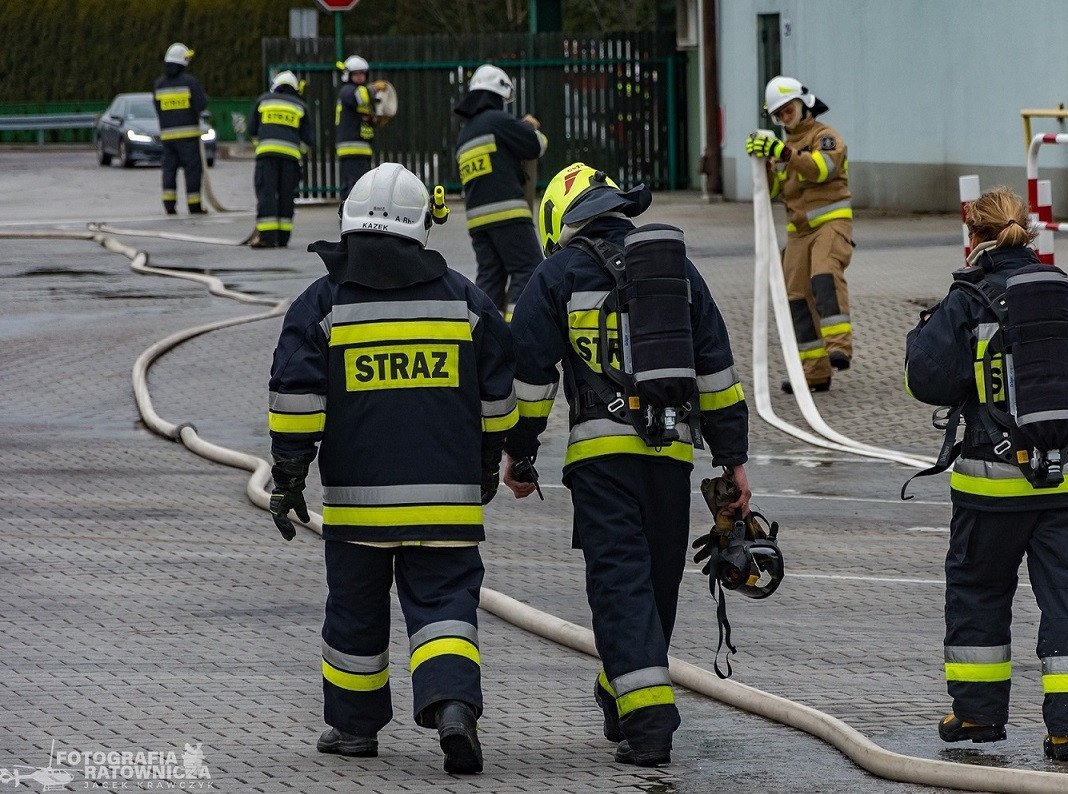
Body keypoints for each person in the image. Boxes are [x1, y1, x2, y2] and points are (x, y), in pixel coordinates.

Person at [267, 163, 515, 775]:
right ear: (417, 228)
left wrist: (290, 478)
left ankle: (353, 731)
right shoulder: (465, 300)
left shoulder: (324, 303)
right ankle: (453, 705)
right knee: (446, 606)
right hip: (447, 501)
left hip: (357, 505)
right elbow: (498, 398)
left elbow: (296, 401)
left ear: (351, 222)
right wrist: (489, 462)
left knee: (355, 608)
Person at [503, 162, 752, 767]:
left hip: (599, 461)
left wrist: (521, 453)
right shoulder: (675, 270)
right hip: (670, 456)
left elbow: (531, 378)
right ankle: (624, 691)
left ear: (561, 216)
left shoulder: (556, 275)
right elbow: (716, 372)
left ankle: (648, 722)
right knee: (657, 585)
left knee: (620, 586)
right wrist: (732, 460)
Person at [904, 186, 1068, 763]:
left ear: (974, 239)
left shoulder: (966, 300)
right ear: (1029, 236)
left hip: (988, 492)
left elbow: (926, 380)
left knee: (979, 596)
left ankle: (976, 718)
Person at [747, 76, 854, 393]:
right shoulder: (781, 150)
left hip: (831, 225)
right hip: (797, 233)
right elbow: (773, 192)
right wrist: (762, 165)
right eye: (778, 114)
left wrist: (785, 154)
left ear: (804, 104)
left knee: (824, 275)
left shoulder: (826, 137)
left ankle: (839, 347)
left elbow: (822, 169)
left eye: (787, 110)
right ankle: (814, 371)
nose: (783, 118)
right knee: (794, 298)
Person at [454, 64, 547, 320]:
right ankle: (516, 335)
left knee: (491, 280)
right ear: (496, 95)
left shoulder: (465, 134)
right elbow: (535, 146)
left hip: (477, 221)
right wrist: (529, 128)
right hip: (508, 213)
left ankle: (486, 339)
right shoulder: (497, 120)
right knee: (528, 270)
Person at [248, 70, 313, 249]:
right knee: (286, 196)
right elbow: (309, 140)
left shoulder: (263, 100)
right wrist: (295, 150)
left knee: (267, 194)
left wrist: (263, 146)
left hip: (266, 156)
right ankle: (283, 238)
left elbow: (252, 130)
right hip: (290, 159)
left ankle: (267, 238)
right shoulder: (301, 106)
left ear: (275, 86)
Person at [153, 43, 208, 215]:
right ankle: (194, 205)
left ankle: (169, 205)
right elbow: (201, 105)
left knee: (169, 170)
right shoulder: (190, 82)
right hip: (189, 137)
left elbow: (157, 107)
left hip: (168, 138)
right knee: (192, 171)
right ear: (182, 62)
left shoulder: (159, 84)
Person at [335, 56, 375, 204]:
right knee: (356, 189)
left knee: (358, 188)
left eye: (363, 74)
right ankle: (350, 219)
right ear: (348, 75)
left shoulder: (355, 92)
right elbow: (362, 96)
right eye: (357, 74)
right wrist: (375, 89)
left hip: (360, 149)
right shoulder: (348, 90)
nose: (361, 77)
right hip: (353, 149)